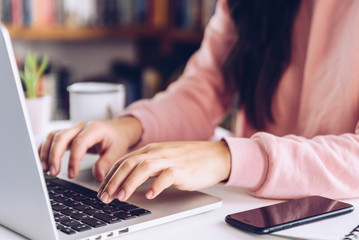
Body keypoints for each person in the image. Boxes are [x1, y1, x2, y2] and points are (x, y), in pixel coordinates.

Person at [39, 0, 359, 204]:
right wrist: (130, 128)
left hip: (340, 215)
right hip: (251, 210)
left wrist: (227, 158)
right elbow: (201, 92)